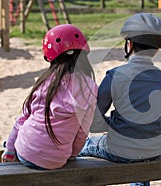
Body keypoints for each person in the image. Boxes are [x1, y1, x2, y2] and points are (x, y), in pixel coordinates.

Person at [79, 13, 161, 186]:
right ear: (156, 50)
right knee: (140, 152)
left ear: (129, 44)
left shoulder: (115, 76)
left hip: (119, 150)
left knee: (84, 145)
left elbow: (94, 121)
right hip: (155, 149)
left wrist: (113, 124)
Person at [1, 24, 98, 170]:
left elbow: (21, 119)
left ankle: (7, 145)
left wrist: (9, 150)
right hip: (57, 161)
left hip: (26, 152)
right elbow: (82, 131)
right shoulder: (90, 87)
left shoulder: (45, 82)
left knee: (21, 133)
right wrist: (71, 154)